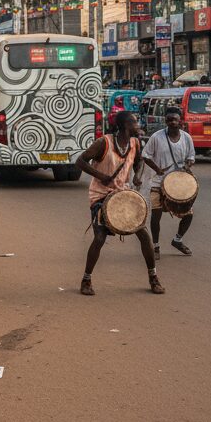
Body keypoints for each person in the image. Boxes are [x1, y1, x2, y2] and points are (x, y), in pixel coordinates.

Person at [73, 111, 163, 296]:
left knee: (143, 234)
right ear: (124, 125)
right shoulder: (104, 143)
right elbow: (80, 161)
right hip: (100, 195)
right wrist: (101, 176)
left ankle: (153, 277)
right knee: (99, 237)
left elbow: (138, 162)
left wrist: (136, 177)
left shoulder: (135, 143)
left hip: (123, 194)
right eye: (134, 123)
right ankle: (86, 279)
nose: (138, 125)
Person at [142, 107, 196, 259]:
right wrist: (157, 169)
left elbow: (191, 157)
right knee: (156, 216)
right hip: (158, 183)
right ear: (165, 120)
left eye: (175, 119)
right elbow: (145, 155)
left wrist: (187, 166)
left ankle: (177, 240)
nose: (172, 122)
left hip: (178, 184)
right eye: (169, 119)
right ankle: (156, 246)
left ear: (180, 121)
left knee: (188, 215)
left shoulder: (186, 138)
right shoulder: (156, 137)